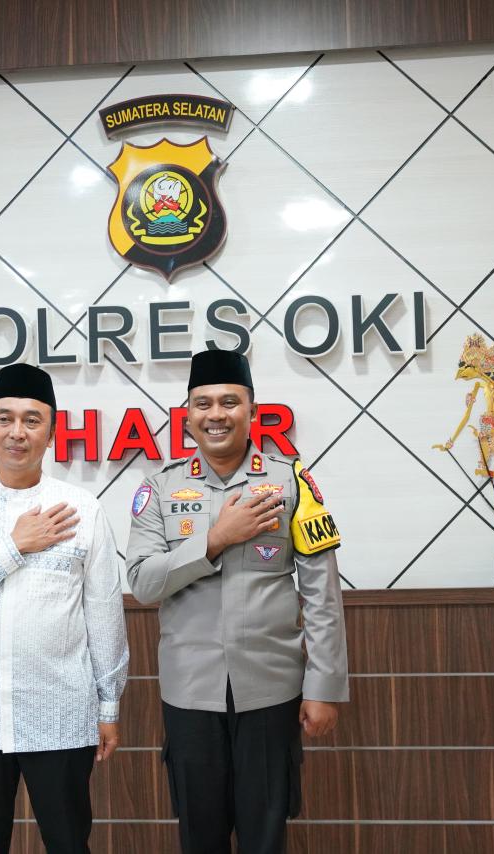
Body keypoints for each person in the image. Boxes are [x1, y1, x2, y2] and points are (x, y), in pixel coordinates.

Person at [125, 349, 349, 854]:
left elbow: (321, 591)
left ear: (251, 410)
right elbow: (142, 582)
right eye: (202, 403)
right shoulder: (159, 488)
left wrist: (325, 686)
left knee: (265, 836)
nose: (216, 414)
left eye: (229, 402)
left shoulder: (291, 481)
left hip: (271, 690)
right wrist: (215, 539)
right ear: (187, 415)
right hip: (190, 693)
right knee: (200, 837)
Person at [0, 363, 129, 854]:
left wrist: (108, 706)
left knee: (69, 844)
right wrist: (13, 546)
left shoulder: (81, 508)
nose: (18, 432)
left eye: (32, 420)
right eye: (5, 418)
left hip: (61, 715)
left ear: (51, 433)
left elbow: (104, 615)